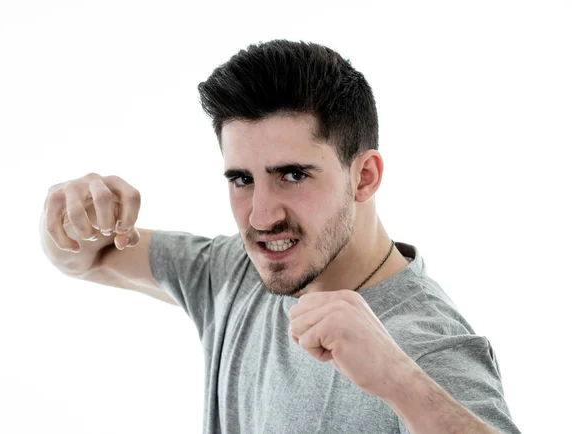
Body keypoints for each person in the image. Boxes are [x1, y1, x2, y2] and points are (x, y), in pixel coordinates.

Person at [41, 40, 521, 433]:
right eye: (242, 179)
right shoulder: (236, 270)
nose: (261, 217)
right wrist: (71, 217)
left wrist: (400, 382)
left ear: (365, 177)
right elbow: (87, 258)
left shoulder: (427, 345)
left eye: (292, 175)